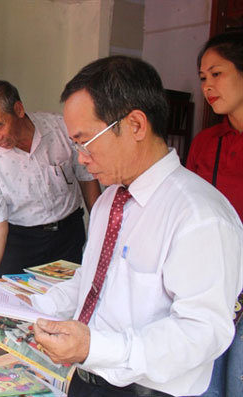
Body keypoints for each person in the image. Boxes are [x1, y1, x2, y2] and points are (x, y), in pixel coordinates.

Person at [30, 55, 243, 396]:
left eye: (85, 141)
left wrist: (97, 347)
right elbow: (92, 282)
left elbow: (202, 332)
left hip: (146, 389)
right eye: (75, 145)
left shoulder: (200, 216)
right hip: (87, 378)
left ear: (136, 125)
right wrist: (30, 310)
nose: (81, 158)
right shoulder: (109, 201)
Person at [0, 79, 101, 281]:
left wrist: (102, 229)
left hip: (68, 235)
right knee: (14, 303)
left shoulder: (60, 129)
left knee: (68, 300)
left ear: (18, 110)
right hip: (20, 241)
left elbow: (87, 178)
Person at [187, 31, 243, 397]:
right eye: (203, 78)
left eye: (217, 73)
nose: (208, 85)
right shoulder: (206, 142)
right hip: (211, 280)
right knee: (204, 382)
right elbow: (186, 209)